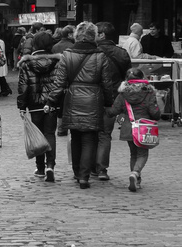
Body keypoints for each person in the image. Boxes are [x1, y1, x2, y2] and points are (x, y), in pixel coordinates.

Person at [45, 21, 114, 189]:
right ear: (93, 36)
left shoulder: (67, 55)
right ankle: (84, 176)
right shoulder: (101, 56)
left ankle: (77, 173)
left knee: (75, 136)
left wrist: (51, 100)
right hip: (93, 99)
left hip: (73, 99)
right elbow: (107, 84)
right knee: (90, 139)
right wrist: (109, 103)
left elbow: (59, 82)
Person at [106, 67, 161, 192]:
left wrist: (104, 110)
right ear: (142, 78)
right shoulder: (148, 92)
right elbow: (155, 113)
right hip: (144, 128)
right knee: (142, 153)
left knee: (133, 154)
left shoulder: (123, 94)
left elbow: (114, 111)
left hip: (128, 127)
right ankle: (135, 173)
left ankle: (137, 181)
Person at [17, 31, 60, 182]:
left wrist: (22, 106)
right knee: (50, 134)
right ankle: (50, 165)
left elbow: (23, 87)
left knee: (38, 135)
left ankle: (40, 168)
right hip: (51, 104)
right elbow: (59, 84)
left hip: (34, 105)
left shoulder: (27, 64)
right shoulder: (58, 62)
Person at [94, 21, 131, 181]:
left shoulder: (92, 52)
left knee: (90, 133)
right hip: (113, 98)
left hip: (92, 97)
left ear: (102, 35)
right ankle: (102, 169)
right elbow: (127, 77)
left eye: (95, 33)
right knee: (105, 135)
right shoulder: (122, 53)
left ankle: (88, 168)